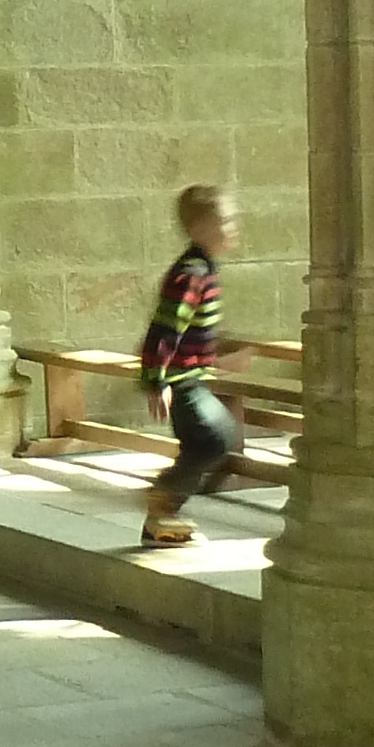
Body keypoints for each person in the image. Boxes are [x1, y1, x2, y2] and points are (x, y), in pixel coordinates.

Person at [137, 182, 245, 548]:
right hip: (181, 382)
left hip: (192, 377)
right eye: (224, 221)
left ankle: (163, 518)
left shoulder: (203, 269)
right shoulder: (193, 272)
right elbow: (166, 328)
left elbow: (193, 331)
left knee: (212, 440)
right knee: (214, 438)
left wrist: (223, 359)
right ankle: (163, 501)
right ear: (200, 228)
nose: (232, 227)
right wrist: (156, 380)